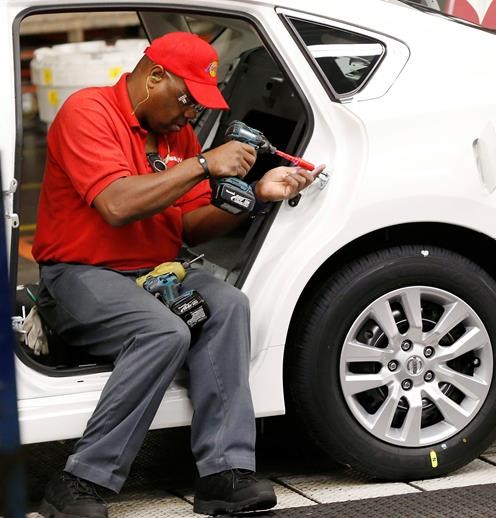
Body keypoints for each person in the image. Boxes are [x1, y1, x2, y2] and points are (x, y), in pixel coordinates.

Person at [32, 32, 321, 518]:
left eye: (198, 105)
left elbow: (190, 225)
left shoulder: (177, 136)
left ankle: (224, 475)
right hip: (81, 273)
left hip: (155, 274)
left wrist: (255, 195)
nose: (191, 114)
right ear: (154, 77)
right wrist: (203, 164)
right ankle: (79, 482)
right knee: (163, 332)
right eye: (188, 100)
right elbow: (116, 205)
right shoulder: (88, 111)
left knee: (229, 306)